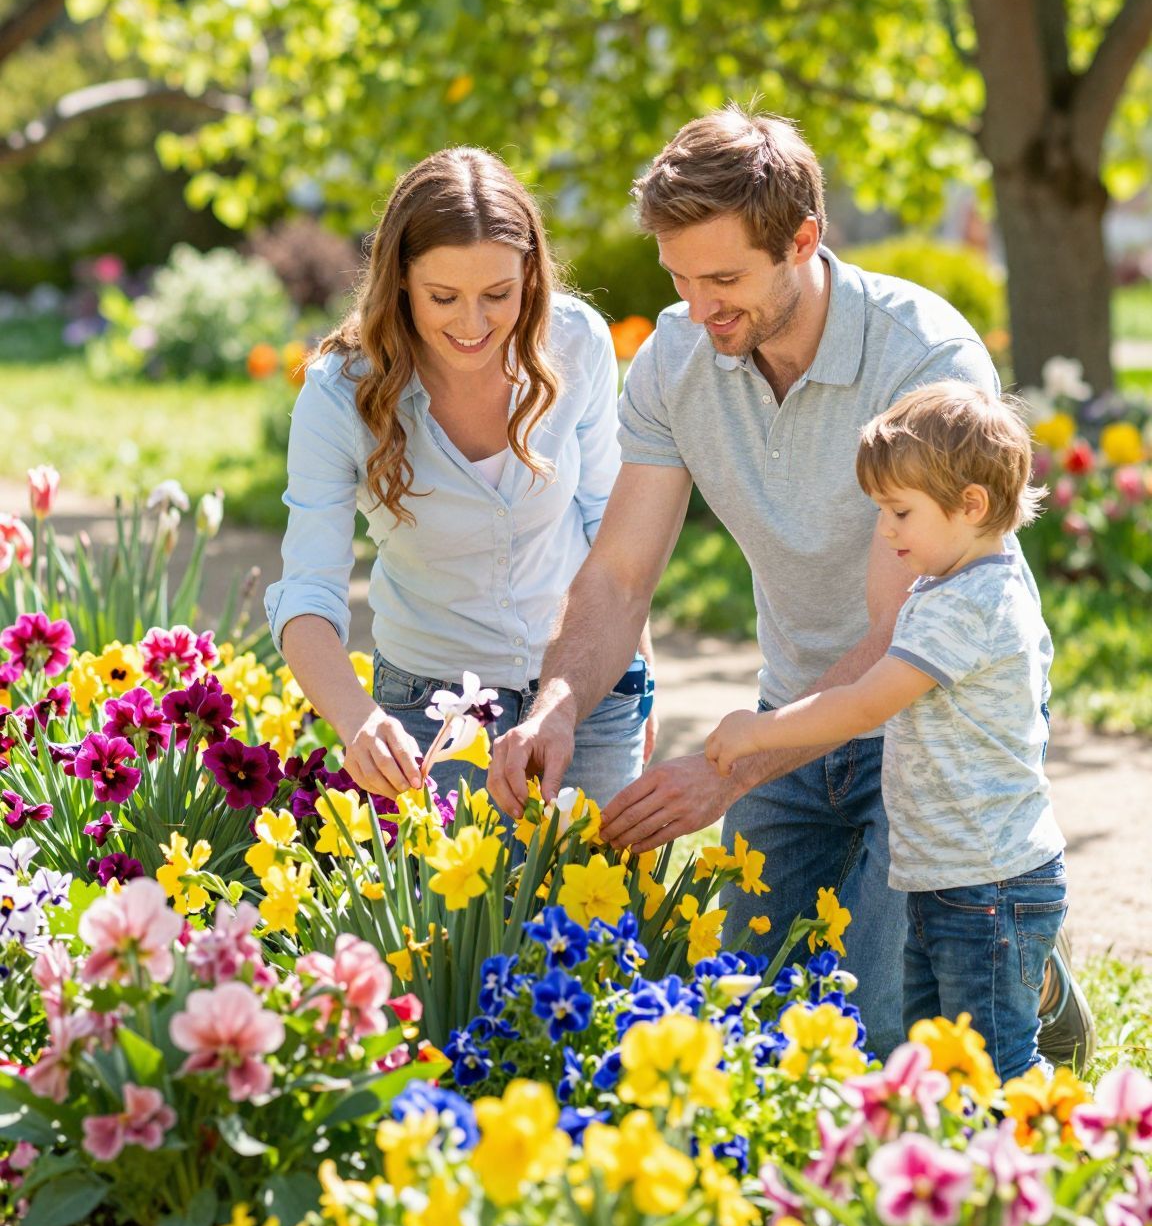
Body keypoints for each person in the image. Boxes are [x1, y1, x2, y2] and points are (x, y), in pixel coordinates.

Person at [489, 106, 1093, 1065]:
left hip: (921, 731)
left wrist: (731, 767)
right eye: (679, 279)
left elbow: (902, 640)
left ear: (803, 240)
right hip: (793, 709)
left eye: (725, 279)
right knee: (745, 1016)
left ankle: (1027, 960)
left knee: (889, 1033)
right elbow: (618, 573)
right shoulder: (680, 359)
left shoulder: (923, 360)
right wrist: (555, 708)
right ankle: (1007, 953)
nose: (698, 309)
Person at [265, 146, 655, 807]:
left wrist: (639, 677)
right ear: (401, 283)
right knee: (449, 913)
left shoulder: (579, 343)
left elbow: (609, 531)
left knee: (595, 909)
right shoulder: (339, 395)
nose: (473, 325)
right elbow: (306, 594)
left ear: (531, 276)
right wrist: (358, 719)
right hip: (428, 713)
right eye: (443, 297)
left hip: (583, 691)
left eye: (498, 295)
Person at [706, 383, 1067, 1080]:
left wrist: (761, 733)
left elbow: (867, 705)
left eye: (900, 512)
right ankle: (959, 1165)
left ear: (972, 505)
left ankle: (1037, 1166)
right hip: (951, 875)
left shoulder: (969, 604)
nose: (886, 531)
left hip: (988, 887)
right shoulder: (951, 584)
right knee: (937, 1058)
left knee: (992, 1065)